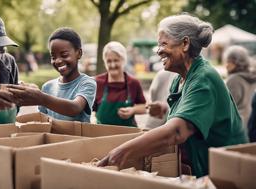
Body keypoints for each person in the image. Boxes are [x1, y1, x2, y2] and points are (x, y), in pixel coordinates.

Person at [97, 14, 247, 178]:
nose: (158, 51)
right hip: (202, 169)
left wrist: (122, 152)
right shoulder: (179, 80)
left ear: (185, 43)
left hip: (229, 172)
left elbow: (176, 132)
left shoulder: (204, 78)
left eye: (163, 44)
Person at [7, 27, 96, 122]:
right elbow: (43, 120)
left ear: (79, 53)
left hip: (78, 137)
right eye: (53, 57)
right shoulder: (47, 87)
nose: (57, 61)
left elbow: (75, 108)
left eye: (64, 55)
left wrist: (41, 98)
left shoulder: (86, 83)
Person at [93, 41, 146, 127]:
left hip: (128, 135)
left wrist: (133, 110)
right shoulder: (97, 82)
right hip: (102, 135)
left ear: (123, 60)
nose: (113, 65)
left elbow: (144, 107)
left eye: (116, 60)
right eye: (109, 61)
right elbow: (90, 110)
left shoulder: (133, 83)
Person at [222, 45, 256, 128]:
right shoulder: (251, 76)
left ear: (237, 62)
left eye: (229, 61)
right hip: (250, 122)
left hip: (237, 125)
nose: (226, 65)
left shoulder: (234, 79)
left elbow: (227, 107)